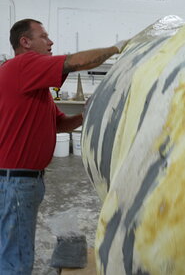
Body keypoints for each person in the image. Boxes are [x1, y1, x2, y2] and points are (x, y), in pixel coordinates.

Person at [0, 18, 128, 274]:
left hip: (24, 180)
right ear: (25, 42)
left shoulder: (37, 89)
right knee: (17, 256)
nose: (51, 42)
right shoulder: (23, 65)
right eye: (44, 37)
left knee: (15, 246)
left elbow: (60, 125)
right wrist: (117, 49)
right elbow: (76, 61)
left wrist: (86, 114)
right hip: (16, 181)